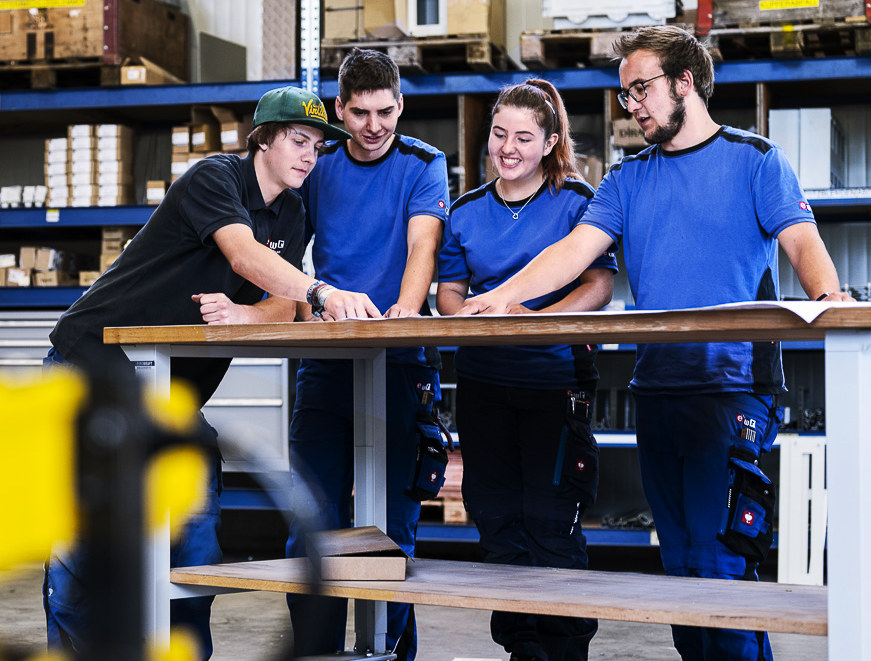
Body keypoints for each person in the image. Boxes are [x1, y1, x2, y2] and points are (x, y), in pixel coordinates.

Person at [459, 26, 853, 661]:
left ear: (684, 83)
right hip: (660, 387)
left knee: (718, 562)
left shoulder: (755, 160)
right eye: (625, 94)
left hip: (730, 389)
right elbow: (572, 254)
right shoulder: (626, 180)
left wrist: (828, 297)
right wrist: (504, 297)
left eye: (640, 88)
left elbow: (801, 241)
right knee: (679, 570)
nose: (631, 105)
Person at [43, 86, 379, 660]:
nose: (308, 156)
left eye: (318, 147)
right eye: (299, 141)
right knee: (84, 553)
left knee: (194, 550)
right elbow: (246, 257)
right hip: (90, 369)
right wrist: (322, 291)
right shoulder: (213, 179)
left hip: (168, 396)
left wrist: (248, 312)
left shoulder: (293, 211)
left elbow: (282, 299)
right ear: (263, 141)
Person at [436, 78, 616, 661]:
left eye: (523, 137)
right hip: (484, 386)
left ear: (550, 142)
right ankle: (522, 650)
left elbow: (598, 285)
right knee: (497, 519)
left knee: (550, 521)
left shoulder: (575, 201)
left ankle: (564, 651)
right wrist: (469, 312)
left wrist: (537, 321)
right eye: (498, 134)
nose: (507, 148)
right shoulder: (465, 211)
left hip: (554, 384)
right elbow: (449, 295)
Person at [285, 48, 449, 659]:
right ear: (339, 110)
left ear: (400, 105)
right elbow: (285, 250)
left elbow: (421, 249)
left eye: (386, 111)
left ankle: (389, 654)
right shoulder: (318, 165)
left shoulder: (423, 164)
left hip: (402, 362)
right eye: (359, 113)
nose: (374, 126)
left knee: (393, 530)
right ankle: (316, 654)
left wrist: (405, 313)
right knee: (312, 519)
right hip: (329, 361)